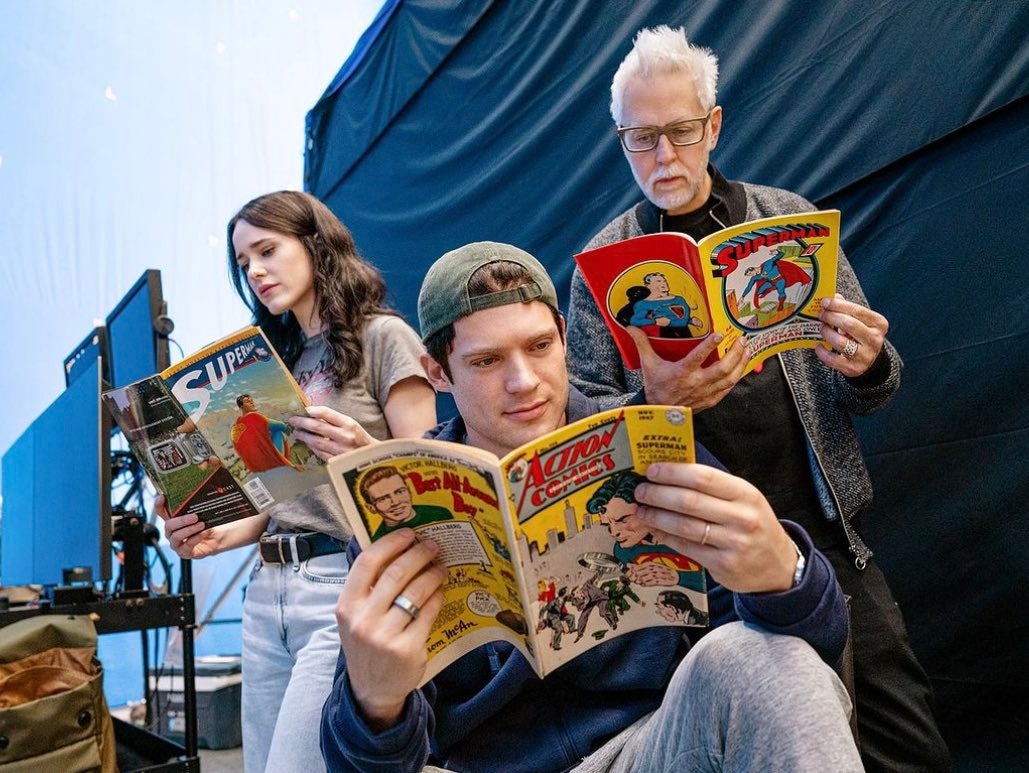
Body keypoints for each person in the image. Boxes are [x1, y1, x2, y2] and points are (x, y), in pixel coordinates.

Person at [321, 242, 862, 772]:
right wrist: (374, 702)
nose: (523, 382)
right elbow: (357, 761)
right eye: (486, 361)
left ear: (563, 338)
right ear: (438, 373)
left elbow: (817, 646)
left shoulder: (647, 442)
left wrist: (785, 578)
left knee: (767, 661)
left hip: (650, 748)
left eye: (538, 347)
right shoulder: (401, 506)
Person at [565, 26, 949, 772]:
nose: (663, 157)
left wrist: (865, 361)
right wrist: (656, 401)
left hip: (830, 539)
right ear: (620, 141)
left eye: (678, 131)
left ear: (712, 125)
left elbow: (877, 384)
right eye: (640, 139)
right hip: (693, 569)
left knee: (908, 748)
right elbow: (583, 433)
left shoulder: (785, 217)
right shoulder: (600, 267)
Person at [156, 190, 437, 773]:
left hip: (341, 583)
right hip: (265, 592)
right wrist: (209, 535)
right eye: (242, 262)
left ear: (314, 243)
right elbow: (274, 498)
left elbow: (432, 482)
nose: (255, 271)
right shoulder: (270, 360)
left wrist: (364, 453)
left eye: (266, 250)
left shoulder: (384, 338)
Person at [358, 465, 453, 538]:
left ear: (409, 491)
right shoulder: (375, 542)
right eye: (383, 499)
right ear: (371, 508)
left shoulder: (439, 514)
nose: (395, 502)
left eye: (400, 492)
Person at [230, 393, 299, 472]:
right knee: (279, 433)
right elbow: (281, 426)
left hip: (254, 467)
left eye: (252, 401)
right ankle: (282, 465)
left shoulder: (236, 426)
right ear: (241, 407)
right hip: (269, 463)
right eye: (247, 401)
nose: (252, 403)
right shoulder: (252, 416)